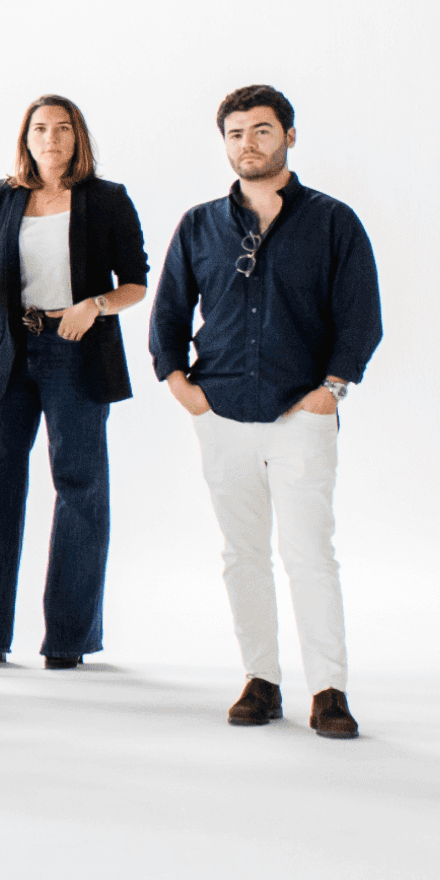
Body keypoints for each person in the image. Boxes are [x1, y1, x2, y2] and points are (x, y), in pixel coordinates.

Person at [146, 85, 380, 739]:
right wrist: (180, 385)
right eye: (236, 133)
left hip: (302, 413)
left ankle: (329, 691)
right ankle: (261, 680)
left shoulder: (333, 222)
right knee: (241, 554)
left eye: (262, 130)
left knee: (310, 554)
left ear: (289, 137)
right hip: (220, 414)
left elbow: (362, 317)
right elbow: (168, 316)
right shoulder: (199, 225)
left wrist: (330, 390)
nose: (248, 143)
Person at [0, 96, 147, 673]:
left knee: (81, 489)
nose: (51, 138)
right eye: (40, 128)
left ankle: (69, 637)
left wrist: (96, 305)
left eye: (62, 128)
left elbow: (136, 282)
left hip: (78, 349)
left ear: (77, 137)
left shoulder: (106, 198)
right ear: (25, 138)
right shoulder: (1, 196)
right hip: (10, 351)